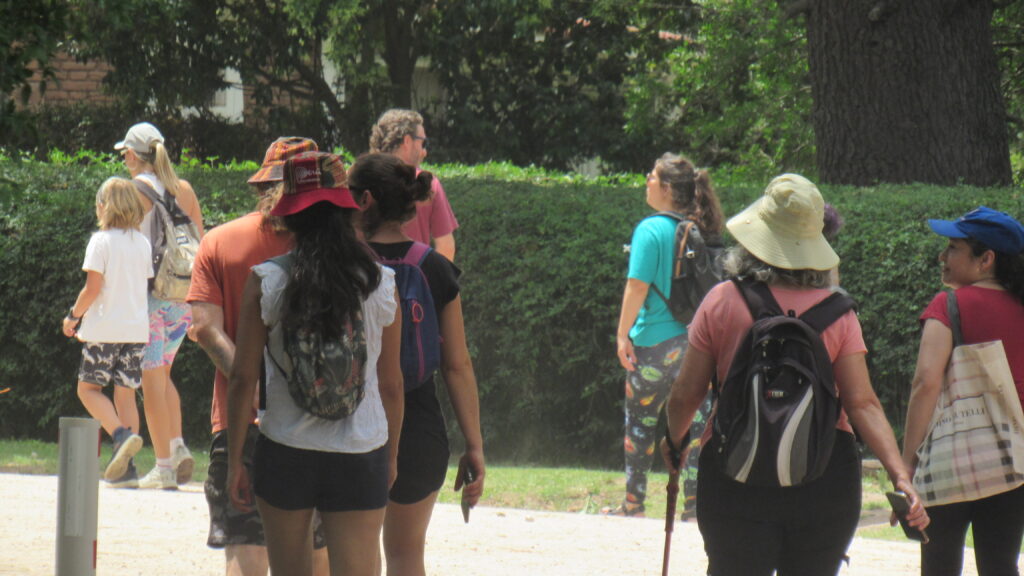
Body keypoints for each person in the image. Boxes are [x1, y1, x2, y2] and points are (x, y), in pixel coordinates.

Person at [660, 174, 929, 575]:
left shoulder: (722, 301)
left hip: (735, 476)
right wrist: (900, 476)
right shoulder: (839, 313)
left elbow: (686, 394)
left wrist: (675, 440)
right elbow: (863, 404)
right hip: (825, 479)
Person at [227, 151, 403, 576]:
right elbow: (391, 384)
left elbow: (242, 378)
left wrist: (234, 461)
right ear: (347, 209)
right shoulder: (380, 283)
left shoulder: (267, 280)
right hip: (361, 449)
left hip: (286, 449)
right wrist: (392, 456)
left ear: (289, 216)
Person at [188, 137, 330, 575]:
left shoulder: (220, 241)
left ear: (262, 184)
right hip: (320, 422)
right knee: (317, 552)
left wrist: (251, 385)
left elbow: (205, 328)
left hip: (239, 423)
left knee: (246, 551)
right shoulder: (333, 248)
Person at [348, 153, 485, 576]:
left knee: (355, 556)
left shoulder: (342, 264)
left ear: (364, 199)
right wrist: (474, 445)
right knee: (407, 555)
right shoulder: (434, 267)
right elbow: (457, 364)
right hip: (420, 425)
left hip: (350, 421)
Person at [901, 206, 1024, 576]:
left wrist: (907, 463)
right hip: (1014, 465)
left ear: (986, 259)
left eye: (953, 248)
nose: (943, 256)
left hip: (949, 460)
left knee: (938, 565)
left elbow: (926, 383)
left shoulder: (948, 305)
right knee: (1001, 565)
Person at [607, 153, 723, 518]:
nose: (647, 181)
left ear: (668, 188)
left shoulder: (650, 229)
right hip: (695, 346)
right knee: (697, 427)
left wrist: (622, 335)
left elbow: (637, 286)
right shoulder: (700, 229)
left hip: (652, 345)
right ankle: (694, 507)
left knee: (640, 424)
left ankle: (634, 503)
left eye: (652, 177)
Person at [115, 122, 202, 489]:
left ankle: (163, 467)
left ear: (134, 155)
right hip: (183, 297)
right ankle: (177, 447)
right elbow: (202, 244)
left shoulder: (135, 192)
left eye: (125, 154)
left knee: (151, 381)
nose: (124, 160)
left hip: (151, 297)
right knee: (163, 375)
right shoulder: (185, 189)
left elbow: (125, 247)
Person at [62, 177, 152, 488]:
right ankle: (127, 468)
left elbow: (92, 288)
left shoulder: (100, 241)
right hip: (136, 330)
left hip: (104, 329)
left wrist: (73, 317)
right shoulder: (142, 243)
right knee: (125, 395)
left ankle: (120, 435)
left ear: (104, 206)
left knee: (88, 390)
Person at [369, 109, 459, 261]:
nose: (425, 152)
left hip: (369, 274)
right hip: (414, 274)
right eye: (423, 143)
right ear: (407, 141)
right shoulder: (428, 184)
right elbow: (446, 247)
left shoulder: (359, 179)